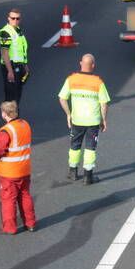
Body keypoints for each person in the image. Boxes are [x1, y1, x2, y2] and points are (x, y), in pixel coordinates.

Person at [58, 54, 111, 185]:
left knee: (74, 146)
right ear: (93, 65)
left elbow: (62, 98)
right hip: (92, 122)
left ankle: (73, 172)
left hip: (77, 120)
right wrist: (104, 120)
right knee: (90, 148)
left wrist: (68, 114)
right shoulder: (98, 82)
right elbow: (104, 103)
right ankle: (88, 176)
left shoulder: (71, 79)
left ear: (80, 63)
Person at [0, 101, 36, 235]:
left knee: (8, 200)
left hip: (9, 172)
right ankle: (30, 223)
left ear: (4, 114)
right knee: (25, 196)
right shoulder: (25, 124)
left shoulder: (6, 130)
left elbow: (0, 149)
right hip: (24, 169)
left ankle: (10, 228)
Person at [0, 8, 29, 104]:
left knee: (17, 95)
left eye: (17, 18)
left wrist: (25, 65)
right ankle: (12, 118)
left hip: (19, 66)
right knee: (11, 98)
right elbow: (5, 53)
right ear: (8, 18)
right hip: (10, 67)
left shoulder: (18, 30)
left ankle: (15, 117)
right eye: (13, 18)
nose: (15, 20)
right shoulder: (5, 33)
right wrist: (10, 71)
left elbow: (21, 49)